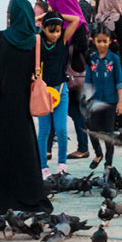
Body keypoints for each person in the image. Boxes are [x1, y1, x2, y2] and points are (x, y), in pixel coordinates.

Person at [0, 0, 53, 213]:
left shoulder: (1, 38)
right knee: (22, 152)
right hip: (21, 106)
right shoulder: (36, 41)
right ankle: (26, 197)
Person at [47, 0, 91, 161]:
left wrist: (61, 48)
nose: (51, 6)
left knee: (71, 111)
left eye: (53, 2)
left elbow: (81, 46)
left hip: (72, 74)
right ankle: (49, 148)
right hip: (62, 73)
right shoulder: (60, 22)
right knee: (54, 110)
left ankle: (82, 147)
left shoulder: (77, 23)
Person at [36, 10, 81, 177]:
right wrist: (41, 18)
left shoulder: (62, 40)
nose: (55, 34)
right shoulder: (38, 40)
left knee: (62, 130)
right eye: (51, 30)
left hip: (61, 91)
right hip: (43, 93)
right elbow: (27, 25)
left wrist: (52, 14)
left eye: (58, 30)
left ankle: (62, 164)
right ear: (43, 28)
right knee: (44, 131)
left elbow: (76, 19)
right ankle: (43, 167)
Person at [86, 26, 122, 168]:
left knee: (108, 133)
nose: (102, 44)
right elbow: (88, 82)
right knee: (92, 130)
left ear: (109, 41)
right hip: (96, 102)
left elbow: (119, 82)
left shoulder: (114, 59)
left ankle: (108, 164)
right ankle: (98, 154)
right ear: (94, 41)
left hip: (111, 101)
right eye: (99, 41)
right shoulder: (91, 59)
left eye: (105, 41)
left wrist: (120, 102)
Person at [95, 0, 122, 127]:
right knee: (119, 85)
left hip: (102, 57)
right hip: (116, 56)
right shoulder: (117, 17)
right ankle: (120, 120)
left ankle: (105, 121)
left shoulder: (98, 17)